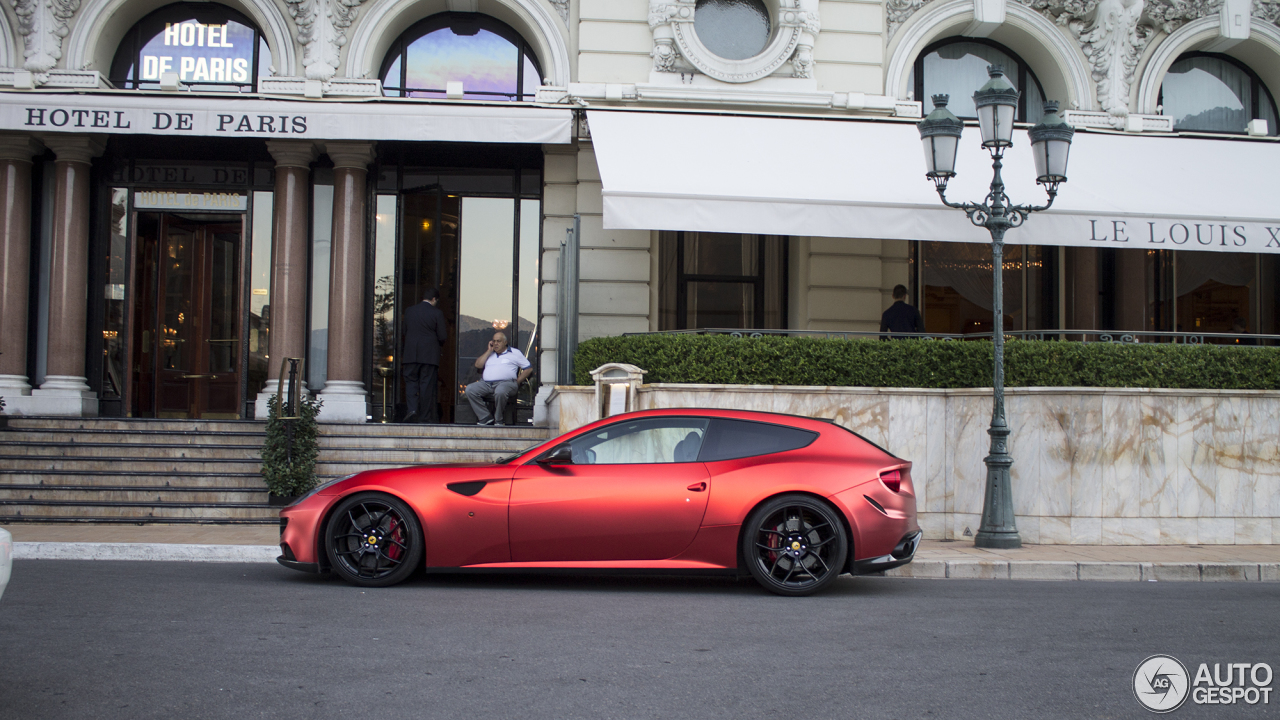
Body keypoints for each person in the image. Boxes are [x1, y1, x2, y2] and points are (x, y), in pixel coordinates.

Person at [464, 332, 533, 426]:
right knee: (470, 389)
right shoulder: (490, 353)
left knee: (500, 391)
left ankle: (499, 419)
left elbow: (528, 368)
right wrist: (489, 351)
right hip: (486, 384)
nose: (496, 343)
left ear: (505, 342)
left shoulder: (514, 352)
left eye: (498, 341)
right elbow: (478, 365)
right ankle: (485, 417)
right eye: (494, 341)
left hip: (506, 383)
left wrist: (517, 382)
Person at [400, 287, 448, 423]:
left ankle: (412, 410)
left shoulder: (409, 311)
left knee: (410, 383)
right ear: (434, 299)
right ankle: (424, 416)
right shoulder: (437, 313)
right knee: (426, 385)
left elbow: (405, 331)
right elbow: (442, 336)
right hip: (429, 356)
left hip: (410, 354)